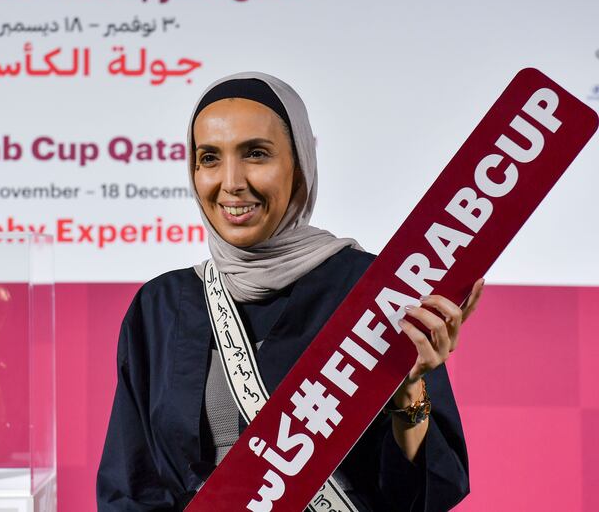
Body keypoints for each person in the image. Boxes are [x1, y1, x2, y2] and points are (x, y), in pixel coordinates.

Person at [97, 72, 484, 511]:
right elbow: (130, 488)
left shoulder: (373, 292)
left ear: (299, 164)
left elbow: (421, 497)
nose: (231, 182)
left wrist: (409, 387)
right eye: (208, 157)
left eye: (256, 154)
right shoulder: (160, 307)